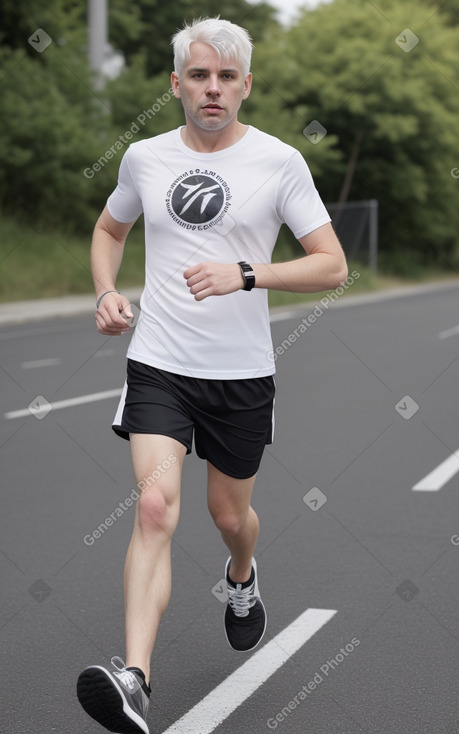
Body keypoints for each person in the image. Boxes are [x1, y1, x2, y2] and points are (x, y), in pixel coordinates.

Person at [76, 16, 347, 734]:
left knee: (228, 517)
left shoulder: (280, 162)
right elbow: (109, 230)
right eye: (199, 75)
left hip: (240, 375)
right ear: (176, 84)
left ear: (245, 85)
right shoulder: (143, 157)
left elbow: (332, 264)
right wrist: (105, 290)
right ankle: (135, 677)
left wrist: (246, 273)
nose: (213, 88)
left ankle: (240, 577)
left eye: (227, 77)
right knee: (155, 508)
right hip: (159, 363)